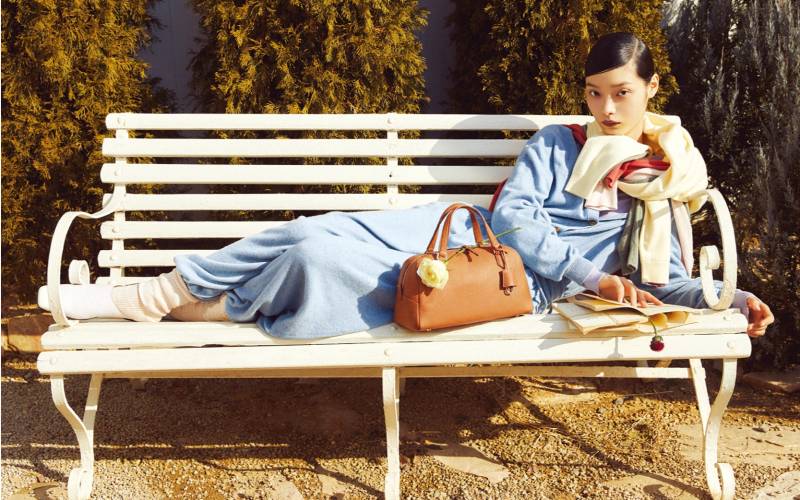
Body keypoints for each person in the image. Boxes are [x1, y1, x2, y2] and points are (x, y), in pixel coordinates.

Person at [40, 32, 773, 339]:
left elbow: (666, 281)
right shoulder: (559, 144)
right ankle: (155, 296)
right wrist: (590, 272)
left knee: (316, 262)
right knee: (310, 229)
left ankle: (189, 308)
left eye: (621, 93)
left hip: (506, 284)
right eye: (594, 93)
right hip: (462, 230)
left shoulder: (668, 177)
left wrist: (731, 299)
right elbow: (515, 218)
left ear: (650, 89)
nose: (606, 109)